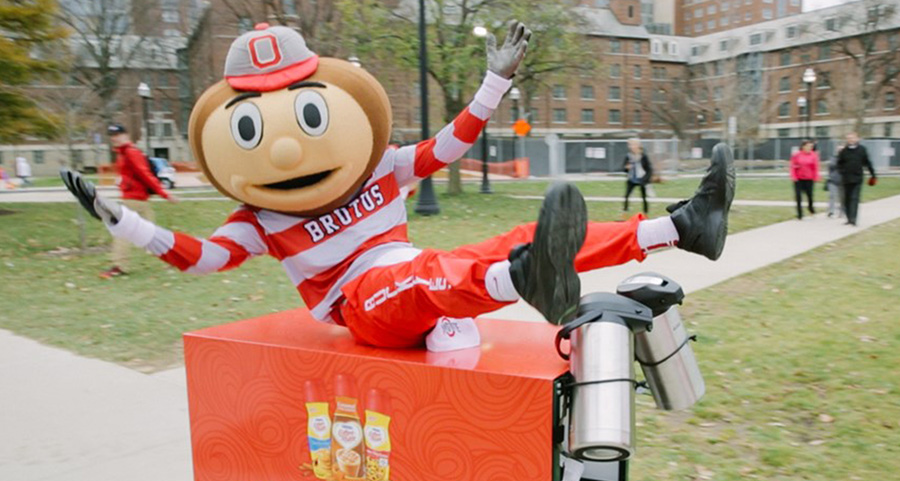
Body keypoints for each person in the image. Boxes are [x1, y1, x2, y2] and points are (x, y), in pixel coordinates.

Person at [62, 22, 736, 349]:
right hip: (361, 309)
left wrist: (494, 82)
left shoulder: (380, 165)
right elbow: (204, 258)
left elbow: (449, 145)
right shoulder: (261, 217)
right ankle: (521, 278)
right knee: (421, 276)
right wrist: (125, 222)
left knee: (510, 240)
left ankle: (681, 227)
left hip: (419, 277)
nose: (291, 148)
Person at [99, 124, 178, 278]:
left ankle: (119, 266)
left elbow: (145, 175)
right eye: (112, 135)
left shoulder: (131, 153)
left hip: (136, 201)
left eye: (117, 134)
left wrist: (165, 194)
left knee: (124, 233)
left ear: (126, 135)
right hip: (133, 200)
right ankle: (173, 258)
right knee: (150, 235)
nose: (114, 138)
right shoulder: (122, 154)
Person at [836, 132, 877, 226]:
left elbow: (867, 162)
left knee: (854, 198)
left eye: (852, 138)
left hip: (857, 177)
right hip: (846, 178)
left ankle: (853, 219)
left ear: (857, 139)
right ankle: (849, 218)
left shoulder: (862, 150)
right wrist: (842, 171)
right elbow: (839, 163)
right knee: (847, 199)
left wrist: (873, 174)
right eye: (849, 138)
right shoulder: (844, 151)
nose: (851, 140)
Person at [789, 140, 819, 220]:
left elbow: (815, 167)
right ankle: (800, 214)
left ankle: (811, 208)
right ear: (803, 147)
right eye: (808, 146)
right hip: (798, 179)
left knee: (809, 196)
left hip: (809, 179)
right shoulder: (797, 155)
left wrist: (816, 176)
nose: (810, 148)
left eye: (811, 146)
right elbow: (793, 166)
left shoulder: (813, 155)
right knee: (798, 196)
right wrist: (793, 176)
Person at [622, 138, 653, 214]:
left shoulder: (643, 156)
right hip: (632, 179)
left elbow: (649, 169)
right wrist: (626, 168)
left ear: (638, 145)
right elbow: (624, 168)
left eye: (634, 145)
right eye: (630, 145)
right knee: (626, 196)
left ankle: (645, 212)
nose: (632, 147)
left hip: (641, 178)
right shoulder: (628, 156)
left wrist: (645, 179)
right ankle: (625, 211)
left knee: (643, 197)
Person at [825, 143, 844, 218]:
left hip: (843, 180)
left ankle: (842, 211)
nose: (840, 151)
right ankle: (831, 211)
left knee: (842, 197)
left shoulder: (847, 159)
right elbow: (831, 166)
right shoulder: (833, 158)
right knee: (832, 196)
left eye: (842, 150)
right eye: (839, 149)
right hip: (833, 180)